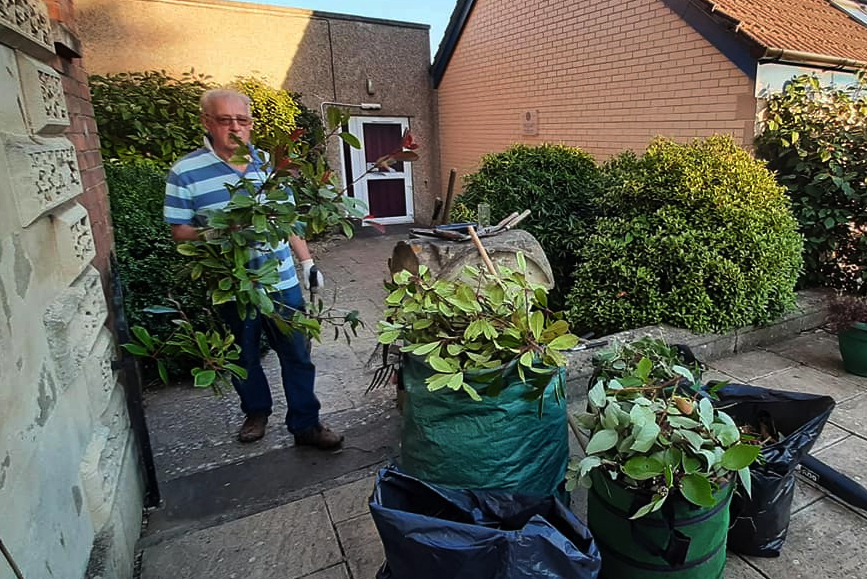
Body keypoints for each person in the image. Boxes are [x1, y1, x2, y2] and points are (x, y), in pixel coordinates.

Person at [164, 88, 343, 449]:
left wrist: (307, 262)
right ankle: (256, 412)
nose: (235, 127)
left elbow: (289, 220)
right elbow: (179, 231)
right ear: (207, 122)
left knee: (297, 354)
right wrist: (220, 230)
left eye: (242, 120)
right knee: (243, 355)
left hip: (282, 282)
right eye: (225, 120)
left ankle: (306, 424)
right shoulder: (185, 172)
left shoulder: (269, 165)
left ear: (251, 125)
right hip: (233, 285)